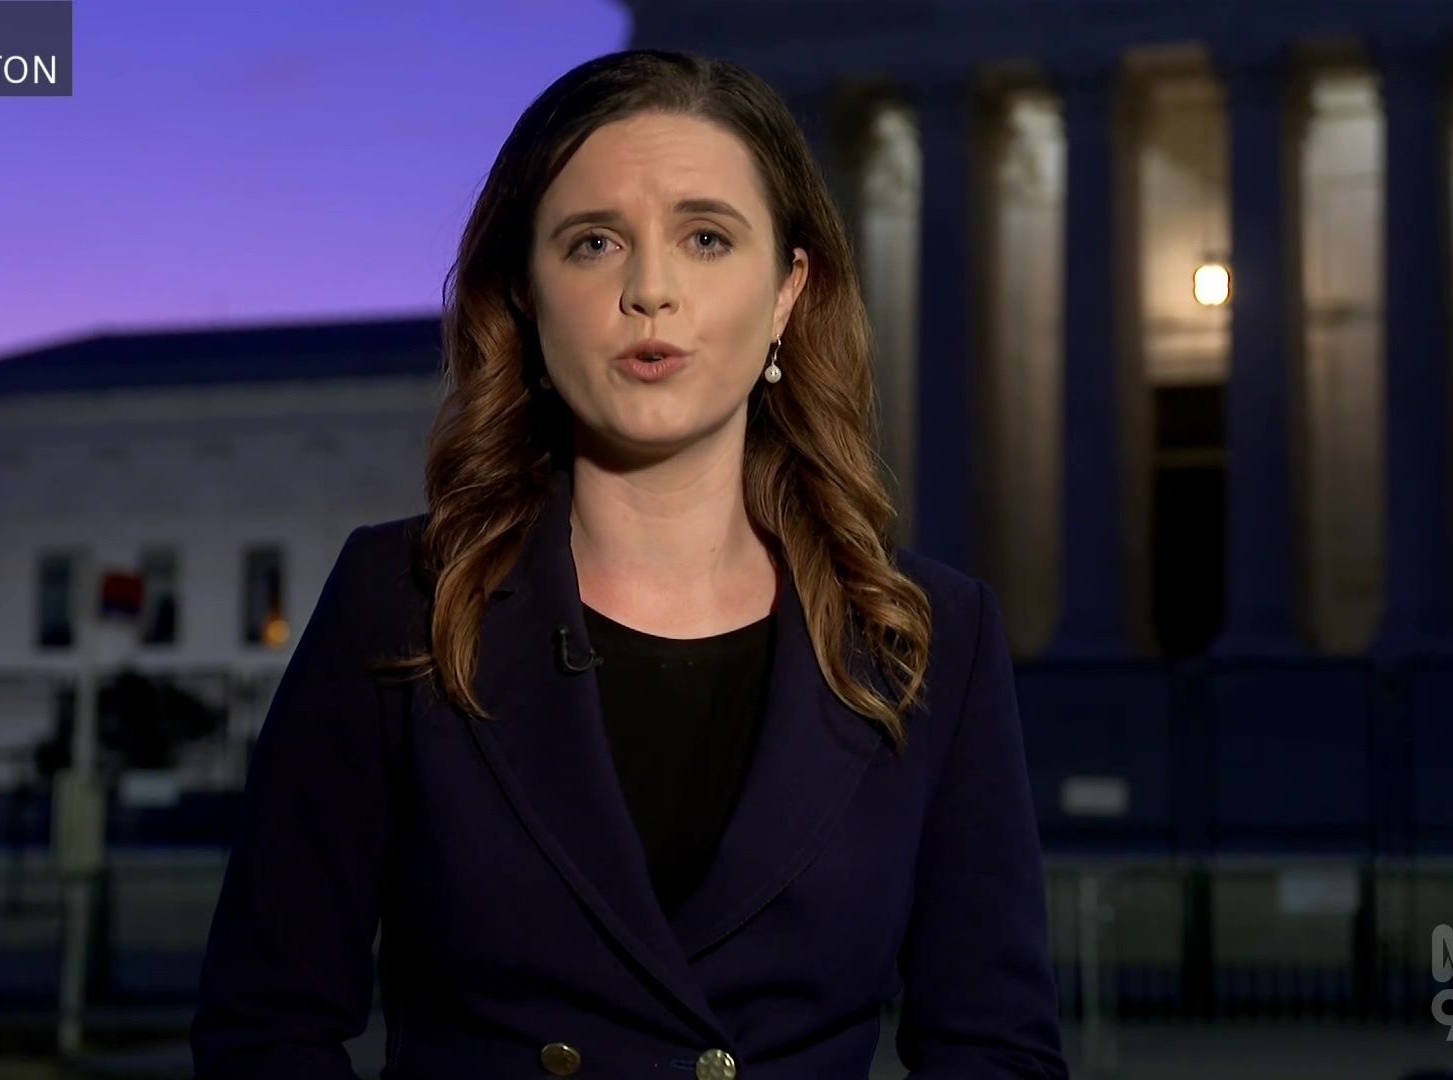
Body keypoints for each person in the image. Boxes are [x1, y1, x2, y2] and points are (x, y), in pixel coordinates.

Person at [191, 48, 1067, 1080]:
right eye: (594, 243)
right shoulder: (402, 601)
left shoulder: (924, 638)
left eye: (707, 238)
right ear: (525, 294)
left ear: (788, 292)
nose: (650, 291)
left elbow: (994, 1047)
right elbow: (265, 1027)